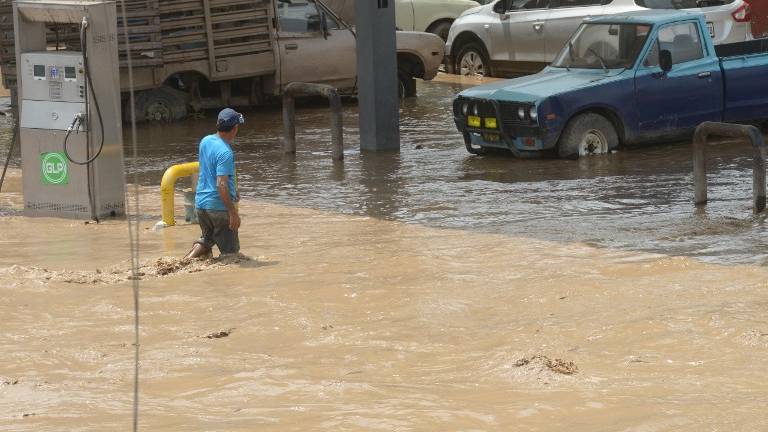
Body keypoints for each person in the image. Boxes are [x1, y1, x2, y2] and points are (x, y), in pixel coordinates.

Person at [185, 108, 244, 259]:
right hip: (219, 209)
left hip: (201, 206)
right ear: (234, 128)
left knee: (207, 239)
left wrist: (233, 191)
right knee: (231, 256)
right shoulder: (225, 152)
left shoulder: (205, 141)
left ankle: (185, 261)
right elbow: (221, 185)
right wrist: (233, 213)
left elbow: (210, 170)